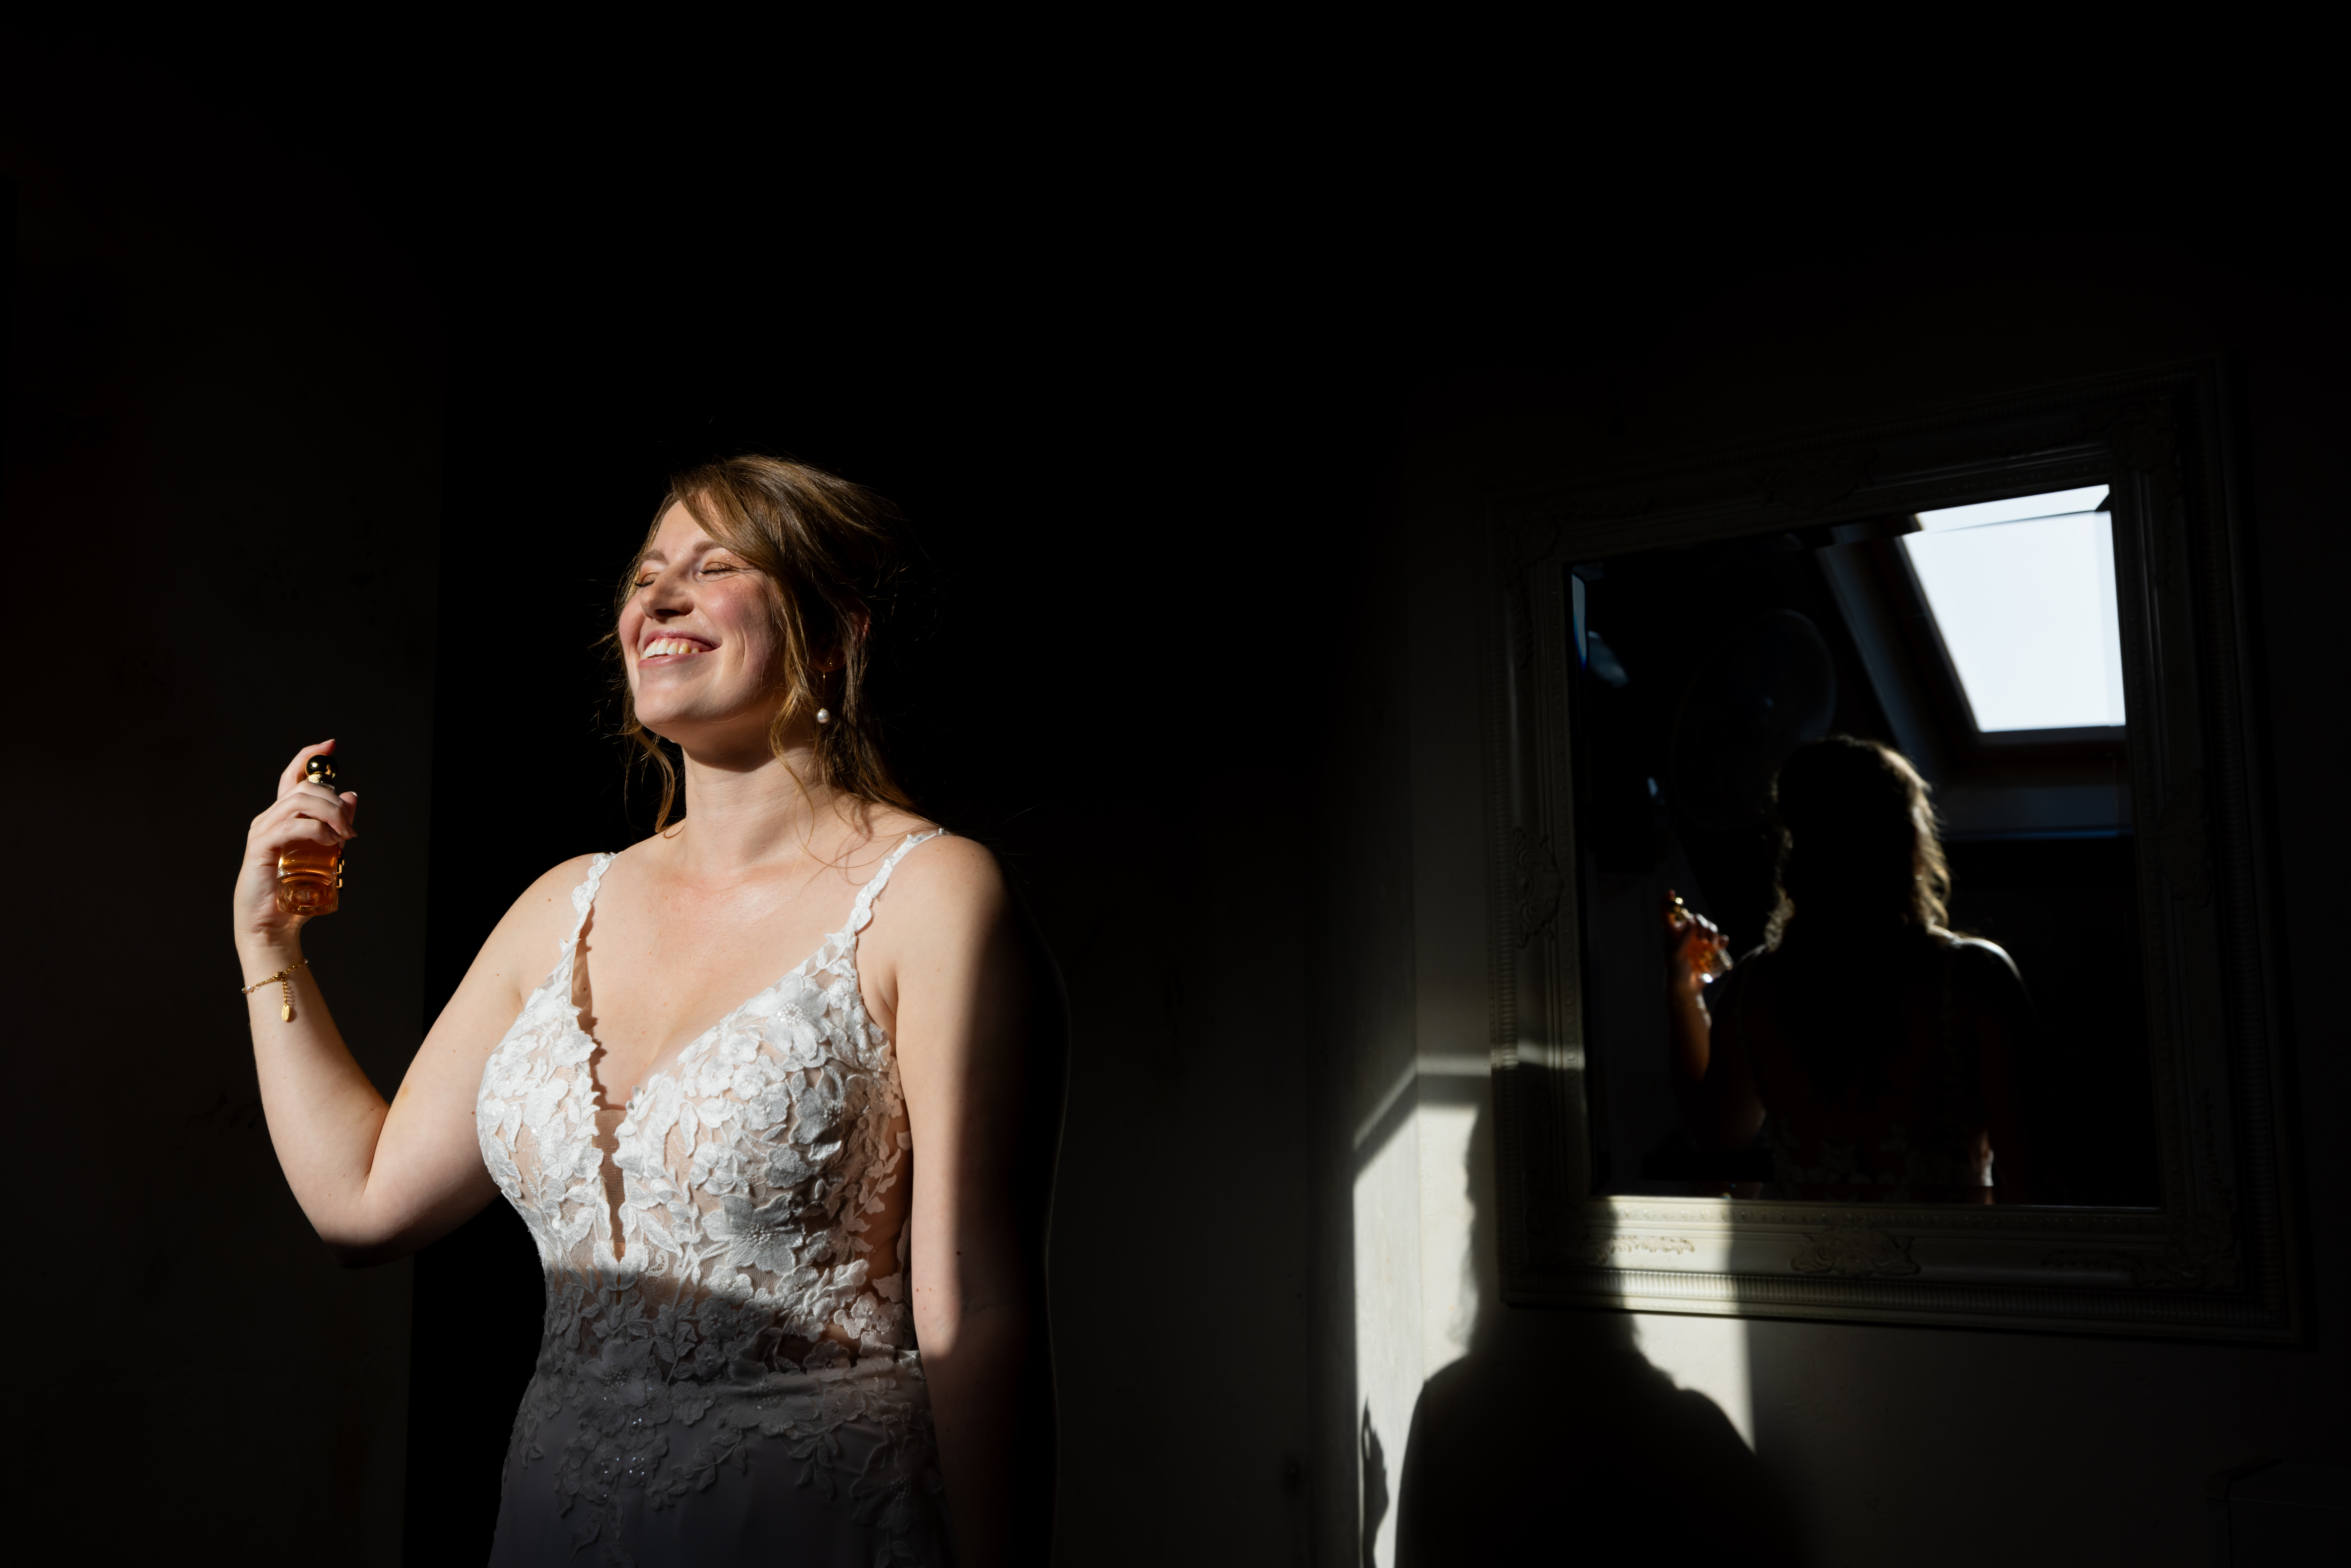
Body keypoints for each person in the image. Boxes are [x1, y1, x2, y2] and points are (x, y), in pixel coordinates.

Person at [232, 456, 1056, 1566]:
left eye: (714, 568)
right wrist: (270, 947)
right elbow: (362, 1202)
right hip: (556, 1519)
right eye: (644, 575)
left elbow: (979, 1308)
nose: (658, 597)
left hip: (808, 1523)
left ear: (829, 634)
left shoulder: (932, 896)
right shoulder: (558, 908)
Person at [1661, 736, 2037, 1204]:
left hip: (1807, 1251)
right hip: (1942, 1252)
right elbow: (2031, 1178)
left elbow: (1719, 1134)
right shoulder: (1974, 978)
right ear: (1909, 842)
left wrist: (1684, 997)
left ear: (1798, 848)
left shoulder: (1755, 987)